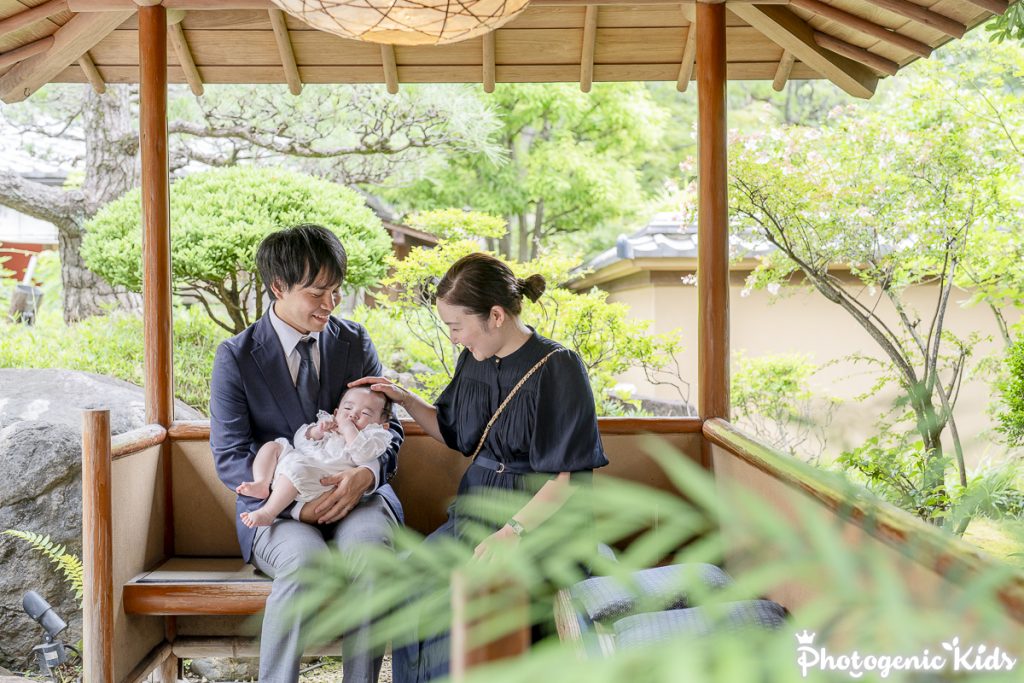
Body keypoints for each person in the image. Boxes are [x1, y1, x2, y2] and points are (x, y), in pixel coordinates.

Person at [352, 252, 609, 682]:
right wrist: (405, 399)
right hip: (476, 511)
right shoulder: (473, 359)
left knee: (469, 593)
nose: (453, 338)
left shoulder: (558, 366)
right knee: (413, 580)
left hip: (538, 519)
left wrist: (513, 533)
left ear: (495, 315)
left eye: (456, 326)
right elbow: (455, 434)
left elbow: (569, 479)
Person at [210, 224, 403, 683]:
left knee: (372, 555)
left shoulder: (354, 342)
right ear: (278, 287)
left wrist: (367, 476)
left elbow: (390, 429)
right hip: (278, 508)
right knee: (304, 562)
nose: (330, 304)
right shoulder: (236, 357)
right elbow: (230, 454)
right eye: (318, 292)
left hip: (358, 495)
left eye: (336, 291)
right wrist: (295, 502)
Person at [238, 386, 395, 528]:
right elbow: (300, 441)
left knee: (297, 470)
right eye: (347, 408)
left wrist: (348, 429)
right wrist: (317, 432)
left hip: (319, 479)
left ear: (383, 425)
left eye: (365, 413)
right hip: (299, 460)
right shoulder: (330, 423)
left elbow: (363, 455)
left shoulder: (375, 437)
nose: (352, 415)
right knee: (273, 446)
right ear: (336, 412)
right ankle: (261, 483)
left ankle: (268, 513)